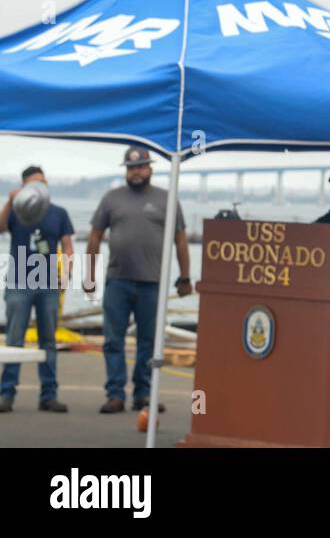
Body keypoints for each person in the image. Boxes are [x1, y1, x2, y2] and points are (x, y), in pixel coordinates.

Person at [85, 147, 193, 414]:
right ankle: (115, 395)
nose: (136, 172)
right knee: (113, 340)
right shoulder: (111, 198)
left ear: (150, 168)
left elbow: (180, 239)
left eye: (141, 167)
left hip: (151, 283)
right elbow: (95, 236)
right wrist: (89, 276)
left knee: (149, 341)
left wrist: (185, 276)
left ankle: (143, 395)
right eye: (132, 168)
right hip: (117, 281)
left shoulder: (167, 199)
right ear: (126, 170)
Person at [0, 166, 74, 413]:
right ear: (23, 187)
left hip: (47, 284)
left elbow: (67, 245)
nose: (40, 187)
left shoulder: (58, 212)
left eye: (43, 182)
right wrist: (10, 202)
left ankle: (49, 395)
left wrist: (67, 274)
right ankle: (6, 393)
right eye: (33, 184)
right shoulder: (17, 211)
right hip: (19, 282)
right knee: (14, 339)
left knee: (48, 341)